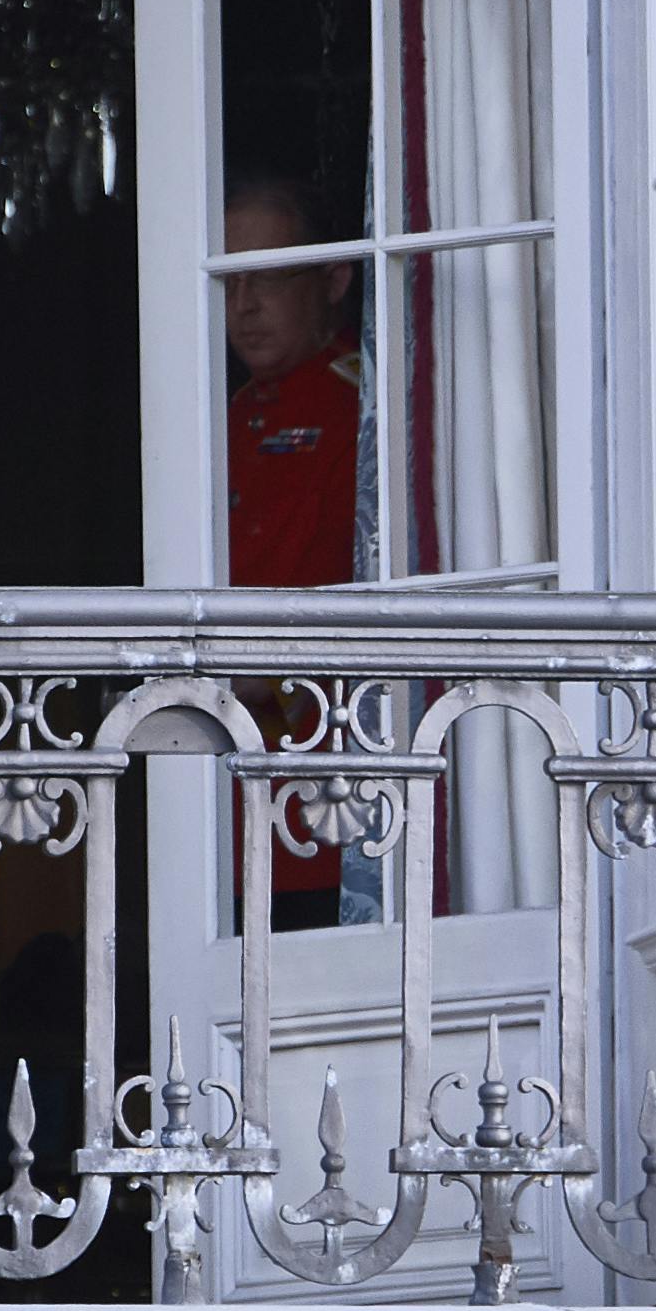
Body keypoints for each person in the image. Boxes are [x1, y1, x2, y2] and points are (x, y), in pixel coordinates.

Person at [221, 177, 364, 926]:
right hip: (225, 798)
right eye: (229, 277)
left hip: (322, 792)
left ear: (332, 278)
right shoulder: (226, 419)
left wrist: (269, 677)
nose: (243, 303)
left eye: (268, 276)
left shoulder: (362, 410)